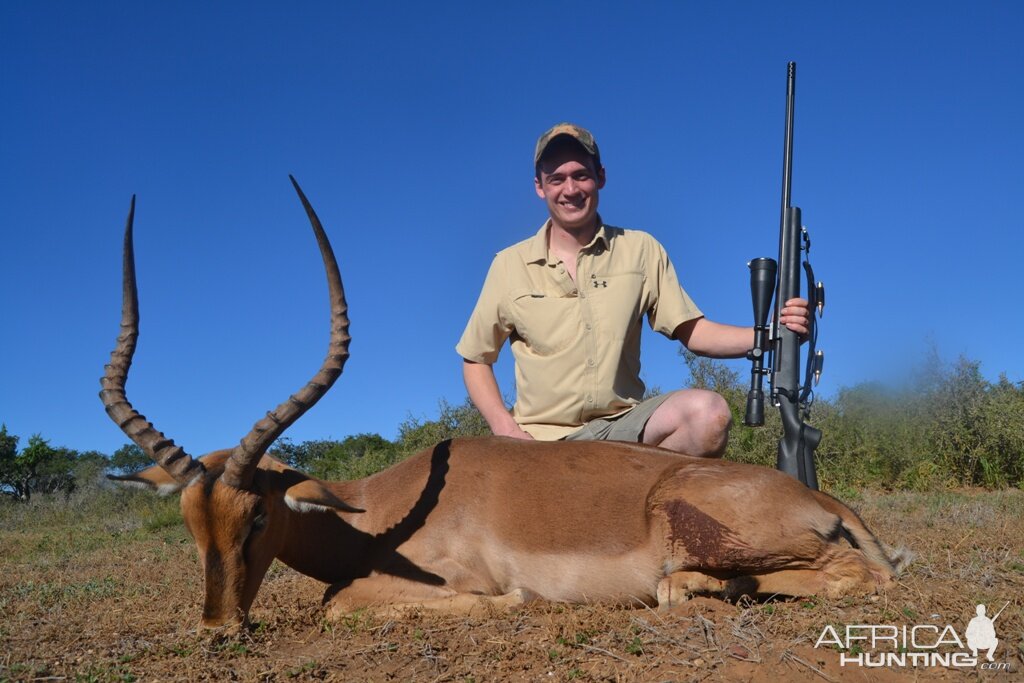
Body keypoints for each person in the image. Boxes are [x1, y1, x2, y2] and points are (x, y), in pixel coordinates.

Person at [456, 123, 810, 457]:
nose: (571, 189)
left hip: (622, 427)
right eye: (557, 179)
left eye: (581, 175)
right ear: (540, 187)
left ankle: (638, 505)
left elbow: (694, 332)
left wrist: (774, 335)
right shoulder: (509, 264)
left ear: (601, 177)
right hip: (541, 440)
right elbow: (475, 358)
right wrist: (505, 428)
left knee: (709, 415)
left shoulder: (640, 249)